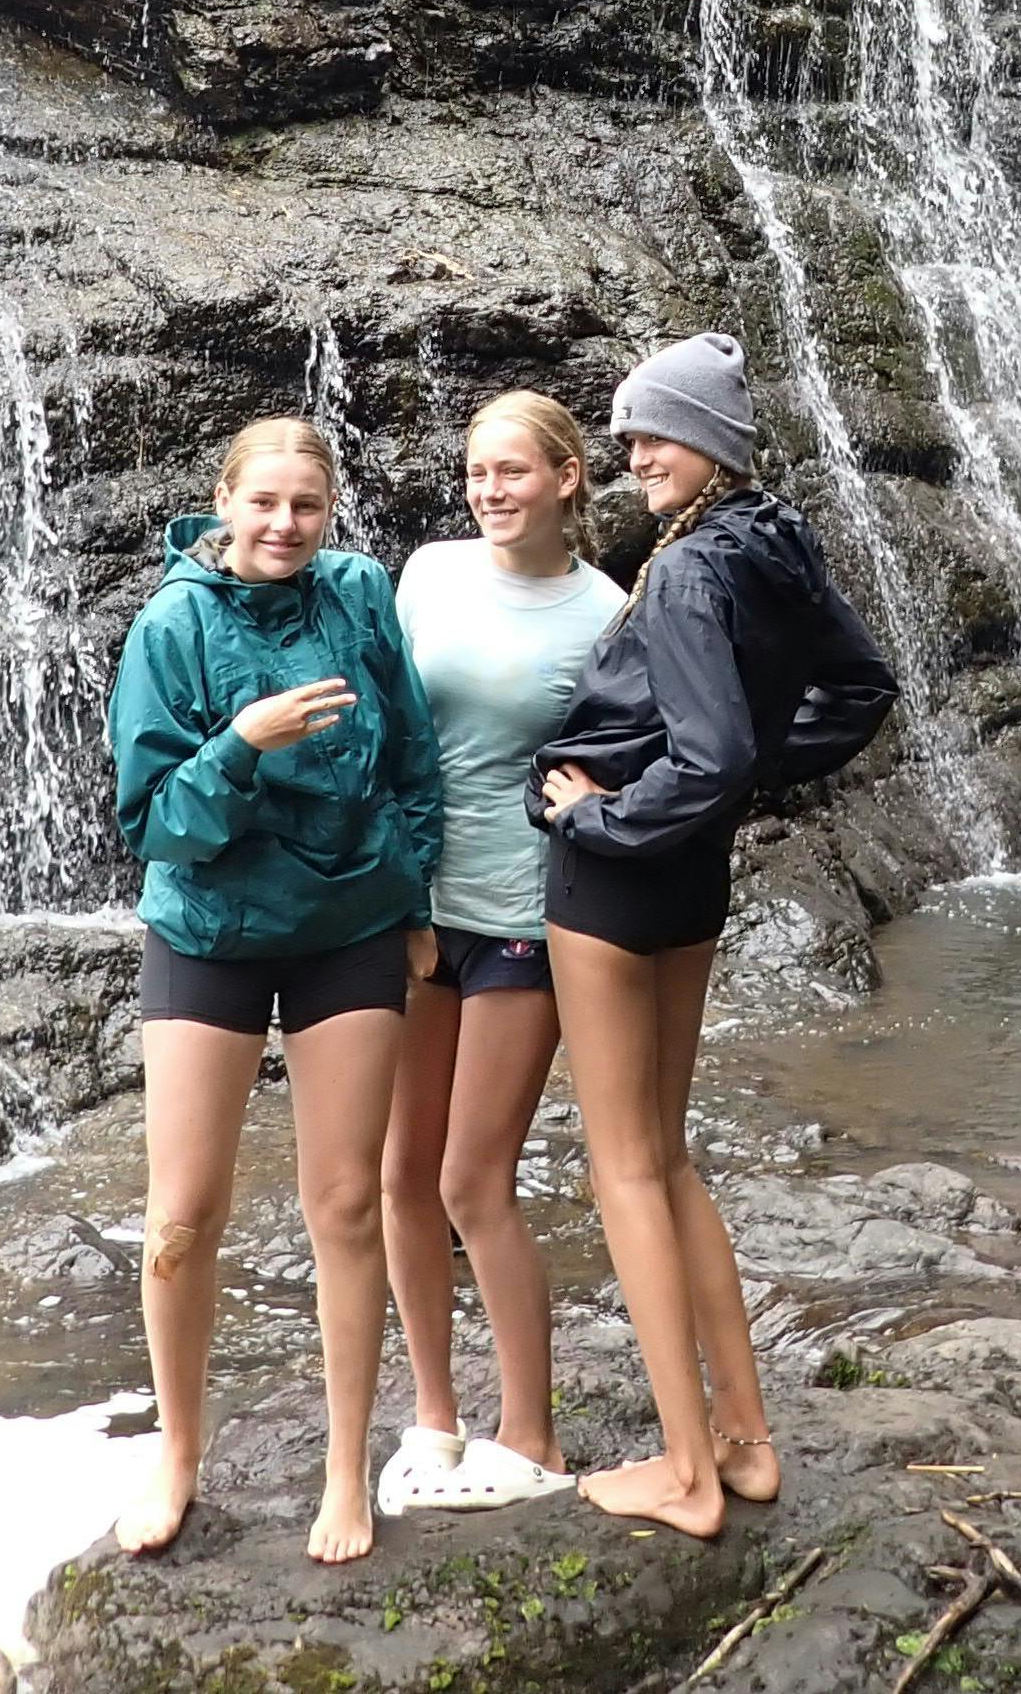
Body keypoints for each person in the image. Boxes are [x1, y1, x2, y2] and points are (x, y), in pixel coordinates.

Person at [534, 332, 898, 1538]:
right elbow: (859, 688)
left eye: (656, 435)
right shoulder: (774, 541)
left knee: (624, 1166)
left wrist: (600, 817)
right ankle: (743, 1443)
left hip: (617, 882)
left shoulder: (687, 572)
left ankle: (684, 1474)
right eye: (629, 434)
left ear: (713, 443)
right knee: (669, 1155)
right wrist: (728, 793)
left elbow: (712, 752)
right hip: (690, 883)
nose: (635, 455)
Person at [105, 414, 440, 1566]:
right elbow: (153, 823)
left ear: (328, 507)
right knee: (178, 1219)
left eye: (305, 506)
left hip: (352, 925)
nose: (285, 526)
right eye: (265, 505)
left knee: (344, 1206)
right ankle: (178, 1455)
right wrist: (241, 742)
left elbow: (411, 758)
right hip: (210, 933)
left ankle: (346, 1471)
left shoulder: (357, 593)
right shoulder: (172, 622)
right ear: (225, 504)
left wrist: (415, 901)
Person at [374, 395, 624, 1517]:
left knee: (473, 1179)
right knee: (398, 1175)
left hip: (527, 911)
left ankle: (532, 1436)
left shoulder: (608, 614)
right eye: (476, 471)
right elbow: (383, 725)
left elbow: (635, 753)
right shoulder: (426, 572)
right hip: (417, 913)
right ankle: (434, 1417)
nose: (488, 490)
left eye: (512, 471)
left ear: (568, 478)